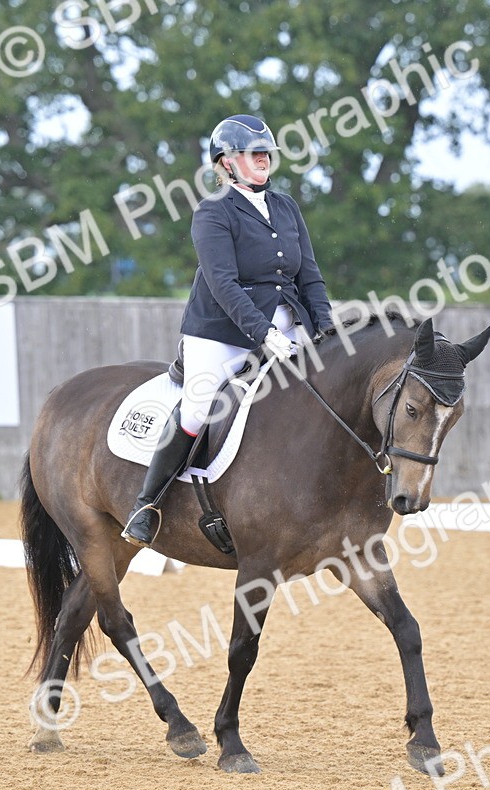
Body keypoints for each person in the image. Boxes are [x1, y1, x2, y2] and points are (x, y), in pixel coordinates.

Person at [122, 113, 334, 547]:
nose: (264, 160)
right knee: (201, 406)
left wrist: (326, 329)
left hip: (288, 322)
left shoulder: (286, 207)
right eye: (254, 154)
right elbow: (223, 284)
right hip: (221, 331)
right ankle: (147, 504)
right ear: (227, 162)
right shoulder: (213, 213)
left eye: (266, 153)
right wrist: (263, 334)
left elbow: (309, 275)